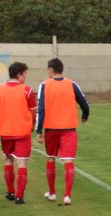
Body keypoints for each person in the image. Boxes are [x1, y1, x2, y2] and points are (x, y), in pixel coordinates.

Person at [36, 58, 90, 205]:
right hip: (69, 129)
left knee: (51, 158)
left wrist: (38, 130)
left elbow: (41, 109)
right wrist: (85, 116)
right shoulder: (72, 84)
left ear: (51, 70)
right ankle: (67, 196)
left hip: (51, 129)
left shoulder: (44, 85)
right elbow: (84, 104)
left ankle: (52, 193)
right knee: (68, 160)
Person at [0, 62, 37, 204]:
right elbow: (33, 112)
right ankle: (19, 196)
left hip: (6, 132)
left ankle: (10, 192)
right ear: (19, 75)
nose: (26, 76)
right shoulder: (27, 91)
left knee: (8, 159)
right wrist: (32, 125)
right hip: (22, 132)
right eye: (25, 73)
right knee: (22, 163)